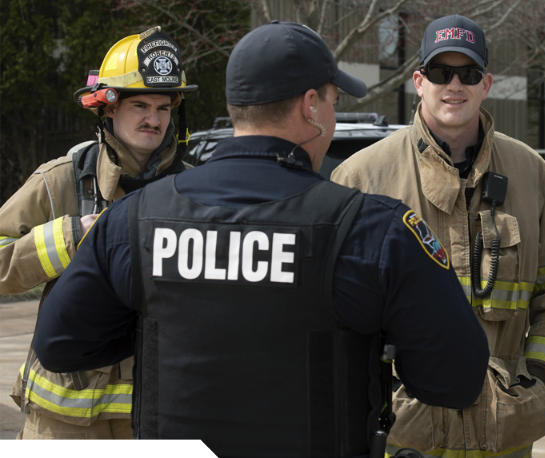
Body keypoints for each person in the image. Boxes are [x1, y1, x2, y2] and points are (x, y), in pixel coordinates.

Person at [32, 20, 490, 456]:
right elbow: (455, 381)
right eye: (332, 101)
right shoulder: (375, 229)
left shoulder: (135, 219)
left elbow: (60, 345)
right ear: (311, 105)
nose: (332, 116)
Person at [331, 14, 545, 458]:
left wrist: (537, 382)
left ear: (487, 83)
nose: (454, 85)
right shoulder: (361, 176)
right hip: (404, 436)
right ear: (418, 81)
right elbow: (335, 315)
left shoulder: (533, 174)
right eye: (440, 72)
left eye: (468, 73)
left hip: (504, 437)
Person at [0, 27, 196, 440]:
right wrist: (70, 238)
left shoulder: (197, 190)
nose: (154, 119)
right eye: (139, 104)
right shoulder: (60, 183)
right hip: (63, 417)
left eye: (163, 107)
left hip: (159, 410)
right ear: (108, 108)